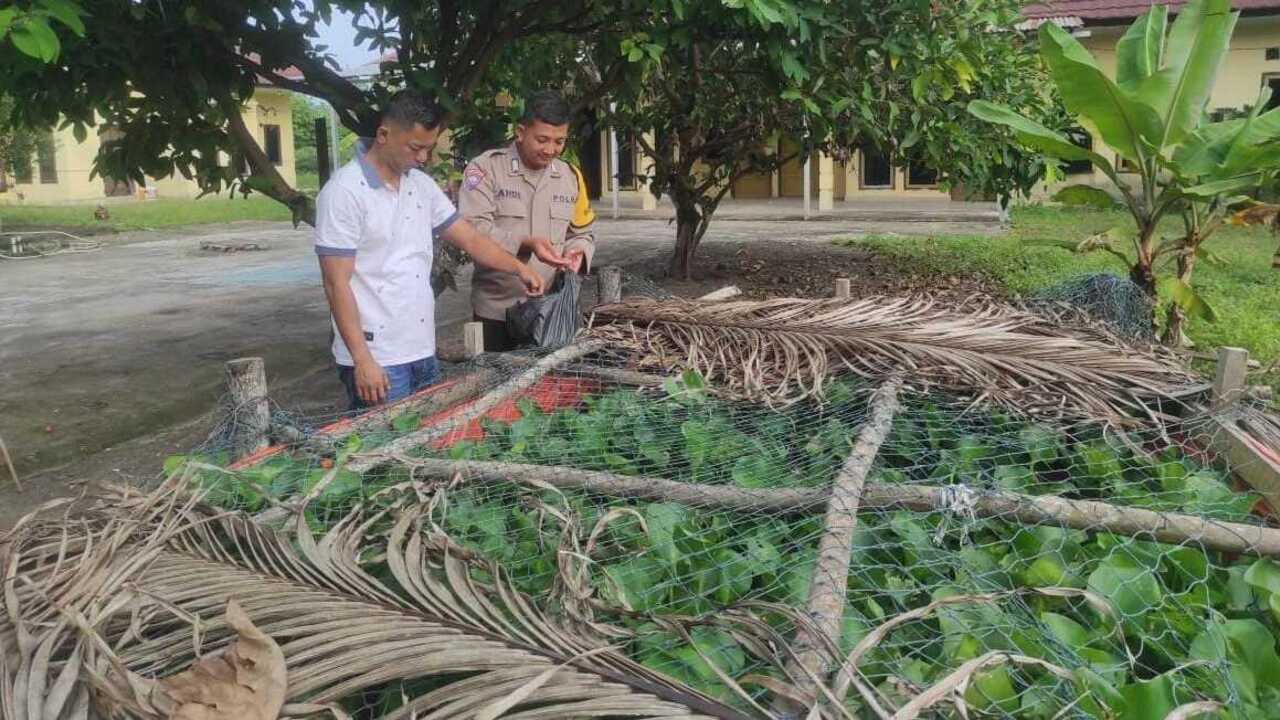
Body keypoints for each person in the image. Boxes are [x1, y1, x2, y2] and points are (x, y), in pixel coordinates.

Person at [314, 90, 571, 409]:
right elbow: (336, 283)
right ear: (384, 135)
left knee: (424, 444)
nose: (422, 158)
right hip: (377, 356)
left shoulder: (419, 186)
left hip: (421, 350)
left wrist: (519, 268)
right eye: (415, 148)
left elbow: (472, 239)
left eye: (429, 148)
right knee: (383, 451)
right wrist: (362, 359)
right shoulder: (344, 192)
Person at [458, 90, 596, 351]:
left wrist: (577, 252)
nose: (550, 150)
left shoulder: (570, 176)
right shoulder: (486, 169)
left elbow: (583, 232)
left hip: (550, 310)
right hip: (497, 312)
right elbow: (471, 231)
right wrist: (525, 243)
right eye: (542, 139)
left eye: (559, 141)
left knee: (547, 388)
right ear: (520, 132)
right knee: (496, 388)